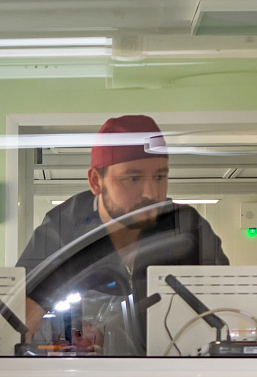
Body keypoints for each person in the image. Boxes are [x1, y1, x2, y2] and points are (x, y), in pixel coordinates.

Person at [16, 115, 229, 355]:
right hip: (83, 372)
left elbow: (224, 314)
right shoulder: (61, 230)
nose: (151, 193)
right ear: (96, 181)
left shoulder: (187, 227)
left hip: (169, 369)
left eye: (160, 177)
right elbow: (18, 321)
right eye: (133, 178)